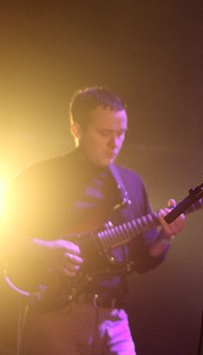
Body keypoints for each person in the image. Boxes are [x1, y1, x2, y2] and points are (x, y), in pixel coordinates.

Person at [0, 86, 186, 355]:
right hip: (56, 316)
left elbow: (143, 260)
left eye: (121, 133)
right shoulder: (42, 177)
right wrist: (45, 250)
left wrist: (166, 236)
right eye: (104, 133)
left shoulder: (131, 183)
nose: (115, 143)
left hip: (115, 318)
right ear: (77, 130)